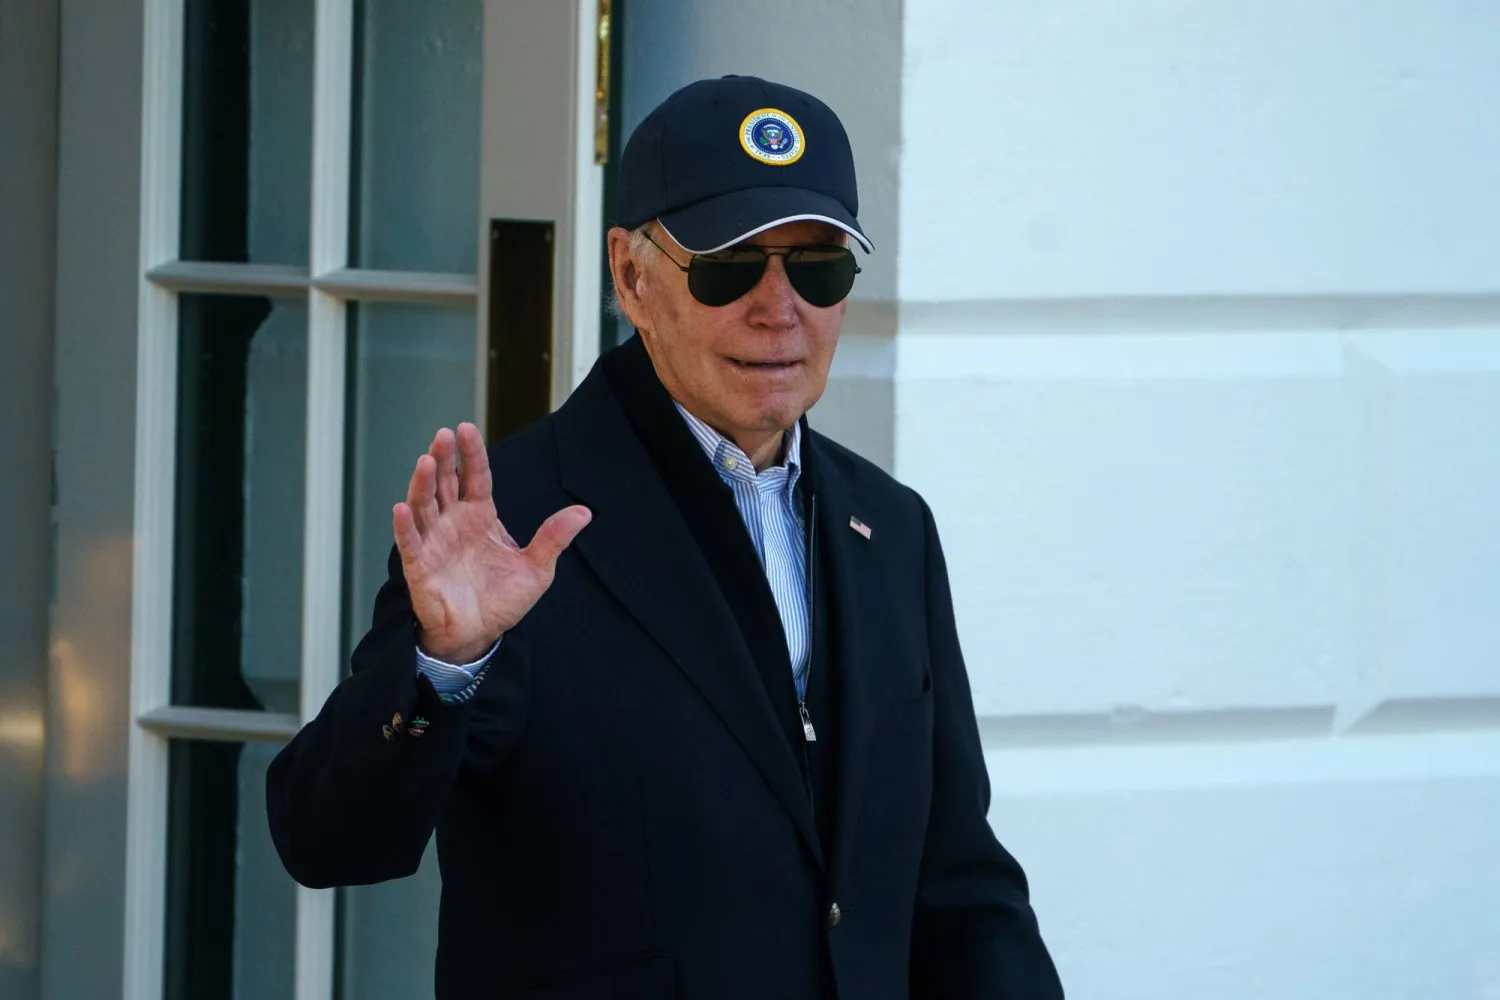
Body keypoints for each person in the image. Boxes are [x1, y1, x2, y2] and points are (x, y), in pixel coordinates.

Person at [266, 74, 1062, 999]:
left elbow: (958, 885)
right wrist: (447, 663)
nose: (779, 308)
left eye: (817, 266)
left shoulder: (891, 528)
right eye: (730, 267)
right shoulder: (513, 524)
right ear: (632, 278)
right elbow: (326, 841)